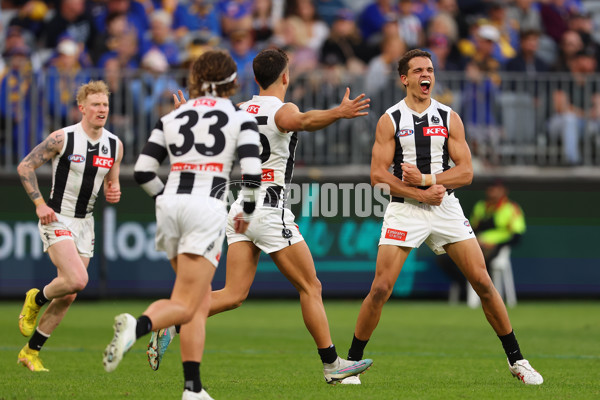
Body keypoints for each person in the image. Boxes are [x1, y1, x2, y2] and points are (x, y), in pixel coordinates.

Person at [146, 47, 373, 385]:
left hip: (239, 209)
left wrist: (187, 114)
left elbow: (207, 134)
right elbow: (302, 121)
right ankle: (332, 365)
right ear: (285, 76)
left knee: (234, 295)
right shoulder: (282, 109)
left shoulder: (236, 110)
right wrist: (338, 112)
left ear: (254, 79)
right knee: (311, 286)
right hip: (268, 208)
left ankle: (171, 320)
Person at [344, 49, 544, 385]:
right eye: (419, 70)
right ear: (404, 78)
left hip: (445, 207)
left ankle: (517, 360)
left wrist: (426, 180)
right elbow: (378, 175)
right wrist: (419, 193)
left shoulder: (449, 117)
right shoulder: (390, 119)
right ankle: (350, 364)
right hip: (405, 209)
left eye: (431, 69)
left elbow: (465, 173)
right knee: (380, 288)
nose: (426, 75)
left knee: (482, 281)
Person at [102, 49, 263, 400]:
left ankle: (193, 388)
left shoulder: (173, 116)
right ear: (231, 82)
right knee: (190, 303)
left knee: (194, 298)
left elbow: (143, 171)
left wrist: (164, 199)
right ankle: (139, 325)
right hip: (206, 208)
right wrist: (246, 215)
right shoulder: (240, 118)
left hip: (170, 204)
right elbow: (252, 174)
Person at [16, 80, 123, 372]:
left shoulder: (115, 145)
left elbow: (112, 184)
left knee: (71, 293)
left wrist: (114, 192)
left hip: (86, 222)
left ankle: (31, 352)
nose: (102, 110)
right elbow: (24, 167)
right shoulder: (62, 139)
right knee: (77, 280)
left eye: (105, 105)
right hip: (58, 217)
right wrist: (40, 204)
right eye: (96, 105)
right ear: (82, 108)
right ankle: (35, 298)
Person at [471, 180, 526, 267]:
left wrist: (496, 244)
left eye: (496, 188)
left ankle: (486, 281)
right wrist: (477, 241)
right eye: (490, 188)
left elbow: (517, 236)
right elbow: (472, 230)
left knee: (483, 261)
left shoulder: (511, 208)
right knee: (449, 259)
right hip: (478, 244)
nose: (492, 191)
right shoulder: (480, 206)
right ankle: (462, 280)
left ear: (504, 191)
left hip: (498, 245)